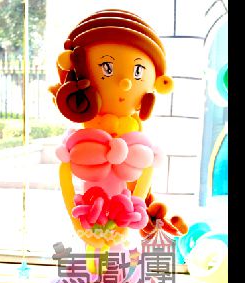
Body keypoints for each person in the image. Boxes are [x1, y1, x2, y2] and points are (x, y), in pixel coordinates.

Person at [50, 9, 188, 265]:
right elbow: (66, 177)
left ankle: (110, 273)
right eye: (107, 67)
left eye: (138, 71)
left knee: (115, 259)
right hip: (90, 218)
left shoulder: (137, 144)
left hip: (121, 220)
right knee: (96, 261)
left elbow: (143, 179)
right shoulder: (82, 141)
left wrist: (135, 206)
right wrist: (75, 218)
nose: (125, 82)